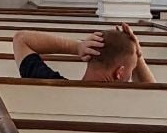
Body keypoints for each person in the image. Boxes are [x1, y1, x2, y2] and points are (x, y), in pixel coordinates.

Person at [12, 24, 157, 86]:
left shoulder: (53, 87)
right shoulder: (126, 106)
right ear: (120, 73)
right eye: (132, 70)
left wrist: (77, 47)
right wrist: (138, 56)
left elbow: (22, 39)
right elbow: (154, 96)